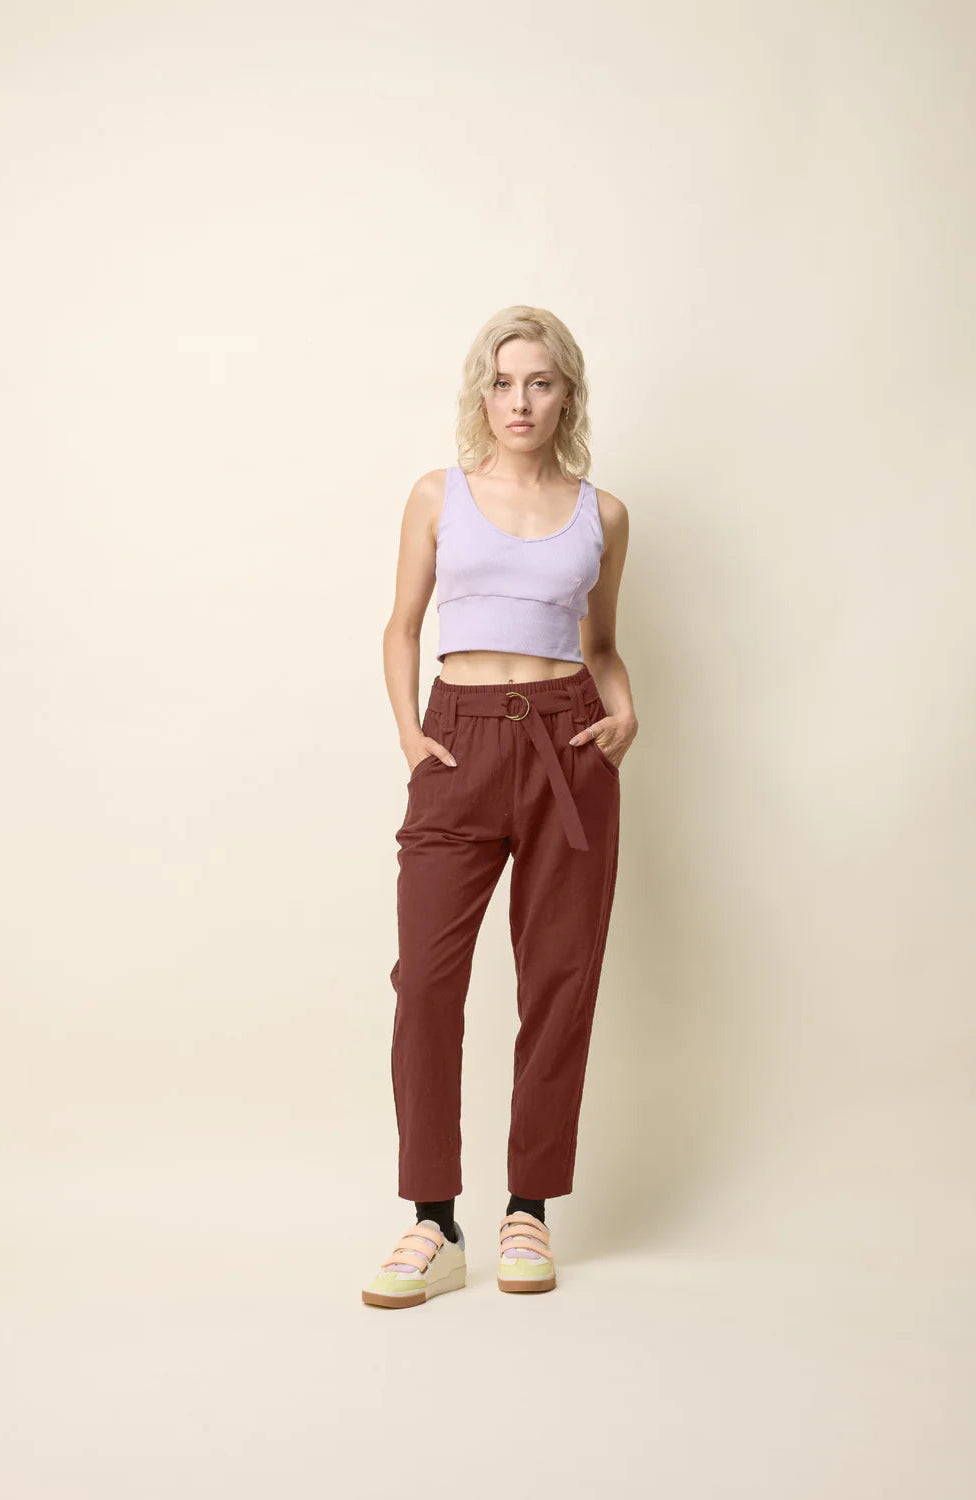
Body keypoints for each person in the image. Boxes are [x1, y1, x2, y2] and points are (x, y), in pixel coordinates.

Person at [362, 306, 637, 1308]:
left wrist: (625, 708)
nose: (520, 401)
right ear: (482, 394)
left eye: (540, 382)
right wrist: (411, 733)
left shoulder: (604, 514)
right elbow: (402, 627)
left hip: (569, 744)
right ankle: (433, 1222)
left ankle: (530, 1209)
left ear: (567, 395)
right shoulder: (439, 494)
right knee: (427, 984)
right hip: (460, 740)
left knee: (559, 979)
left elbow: (600, 646)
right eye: (503, 382)